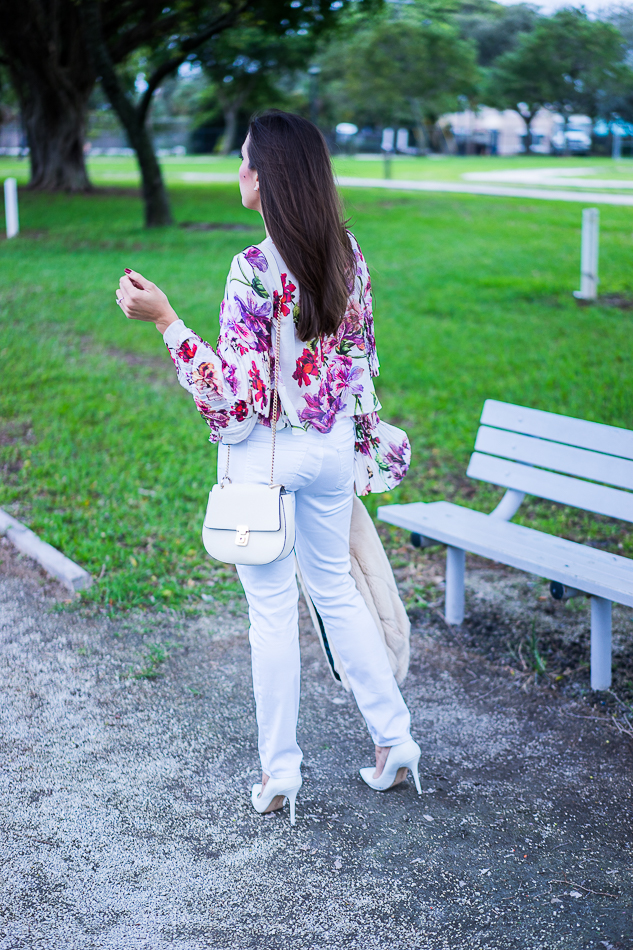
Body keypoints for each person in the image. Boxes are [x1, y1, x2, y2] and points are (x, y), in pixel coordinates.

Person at [115, 110, 421, 825]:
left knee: (271, 615)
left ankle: (280, 774)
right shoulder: (348, 253)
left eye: (246, 161)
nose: (239, 172)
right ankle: (395, 742)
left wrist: (166, 322)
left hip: (266, 457)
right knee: (336, 593)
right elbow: (361, 364)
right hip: (330, 450)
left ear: (270, 178)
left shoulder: (251, 271)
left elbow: (235, 404)